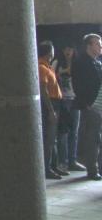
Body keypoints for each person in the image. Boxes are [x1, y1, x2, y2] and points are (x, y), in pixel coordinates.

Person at [73, 33, 102, 180]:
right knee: (93, 138)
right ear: (89, 46)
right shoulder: (81, 62)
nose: (100, 46)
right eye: (97, 44)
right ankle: (92, 169)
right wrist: (86, 104)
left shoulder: (98, 62)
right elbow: (78, 85)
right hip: (91, 106)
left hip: (100, 105)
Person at [38, 41, 65, 179]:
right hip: (50, 104)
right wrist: (50, 110)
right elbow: (43, 90)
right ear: (49, 53)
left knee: (53, 138)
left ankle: (54, 165)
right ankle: (47, 168)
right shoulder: (42, 68)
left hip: (56, 103)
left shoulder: (48, 66)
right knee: (49, 139)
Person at [54, 44, 82, 172]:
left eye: (70, 49)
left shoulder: (78, 63)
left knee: (74, 132)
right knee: (63, 132)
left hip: (75, 99)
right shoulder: (57, 62)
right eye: (65, 48)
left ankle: (72, 160)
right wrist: (65, 71)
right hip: (63, 100)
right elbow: (53, 75)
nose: (68, 51)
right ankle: (63, 162)